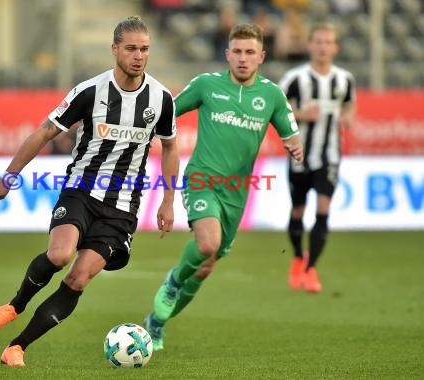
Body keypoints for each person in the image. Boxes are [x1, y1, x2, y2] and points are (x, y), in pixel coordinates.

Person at [0, 16, 179, 367]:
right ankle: (15, 305)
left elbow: (171, 148)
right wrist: (8, 178)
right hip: (81, 190)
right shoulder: (90, 92)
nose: (138, 56)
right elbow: (43, 133)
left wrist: (168, 200)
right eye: (131, 48)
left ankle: (17, 347)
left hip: (123, 207)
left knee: (78, 277)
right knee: (59, 256)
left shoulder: (160, 98)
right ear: (115, 49)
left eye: (144, 49)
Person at [143, 23, 304, 351]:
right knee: (207, 244)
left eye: (250, 53)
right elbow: (169, 111)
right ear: (227, 54)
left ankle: (157, 323)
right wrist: (146, 133)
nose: (243, 59)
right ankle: (173, 282)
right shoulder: (206, 85)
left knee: (205, 267)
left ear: (262, 56)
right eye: (237, 52)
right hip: (202, 179)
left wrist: (294, 145)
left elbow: (291, 131)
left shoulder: (271, 95)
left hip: (237, 192)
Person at [278, 22, 356, 293]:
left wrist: (347, 119)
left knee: (323, 209)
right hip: (300, 154)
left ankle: (311, 271)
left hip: (330, 155)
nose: (323, 47)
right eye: (318, 42)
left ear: (335, 47)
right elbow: (276, 109)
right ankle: (298, 258)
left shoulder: (344, 79)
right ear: (310, 45)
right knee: (298, 210)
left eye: (328, 42)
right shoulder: (294, 78)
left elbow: (349, 106)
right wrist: (299, 114)